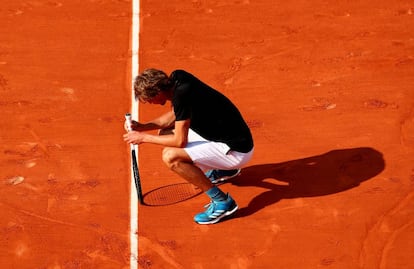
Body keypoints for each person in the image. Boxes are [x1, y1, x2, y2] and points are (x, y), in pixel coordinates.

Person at [123, 69, 254, 224]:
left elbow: (180, 142)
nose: (149, 102)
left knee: (171, 157)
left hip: (236, 152)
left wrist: (143, 137)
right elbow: (174, 116)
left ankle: (223, 203)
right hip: (234, 138)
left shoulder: (180, 97)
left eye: (148, 98)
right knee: (165, 133)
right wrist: (143, 127)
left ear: (158, 91)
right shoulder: (179, 78)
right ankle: (225, 170)